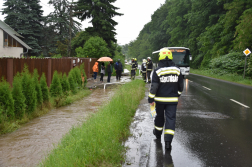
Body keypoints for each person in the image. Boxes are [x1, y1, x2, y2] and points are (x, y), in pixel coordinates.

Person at [148, 48, 184, 150]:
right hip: (172, 101)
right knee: (171, 119)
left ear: (160, 57)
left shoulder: (158, 71)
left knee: (159, 117)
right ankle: (168, 143)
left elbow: (154, 87)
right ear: (171, 57)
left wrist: (150, 98)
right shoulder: (177, 70)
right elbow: (181, 86)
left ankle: (158, 134)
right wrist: (176, 95)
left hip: (159, 100)